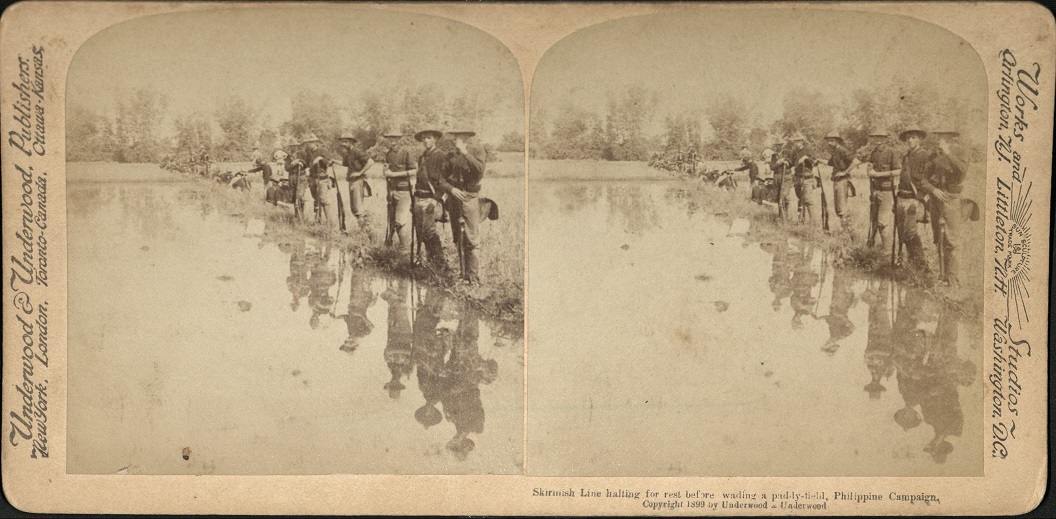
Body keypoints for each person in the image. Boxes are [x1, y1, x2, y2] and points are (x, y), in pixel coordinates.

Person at [440, 129, 487, 284]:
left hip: (470, 198)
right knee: (457, 237)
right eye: (455, 137)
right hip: (454, 199)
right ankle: (462, 275)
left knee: (471, 239)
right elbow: (442, 179)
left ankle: (473, 278)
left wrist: (465, 152)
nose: (457, 139)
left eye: (460, 137)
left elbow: (480, 169)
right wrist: (451, 189)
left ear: (467, 137)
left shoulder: (477, 151)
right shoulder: (449, 156)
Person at [926, 130, 969, 287]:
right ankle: (942, 277)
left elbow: (962, 170)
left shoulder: (961, 151)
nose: (939, 140)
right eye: (938, 137)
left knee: (952, 239)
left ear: (951, 138)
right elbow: (924, 180)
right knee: (939, 238)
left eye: (942, 137)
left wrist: (948, 152)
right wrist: (933, 190)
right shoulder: (933, 155)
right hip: (935, 198)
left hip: (951, 198)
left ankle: (953, 280)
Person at [895, 127, 931, 273]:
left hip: (913, 199)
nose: (910, 140)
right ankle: (911, 264)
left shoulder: (924, 155)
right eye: (908, 138)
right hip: (901, 197)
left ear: (920, 139)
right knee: (903, 233)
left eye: (914, 137)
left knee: (910, 233)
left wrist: (919, 199)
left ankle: (922, 266)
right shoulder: (906, 156)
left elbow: (926, 179)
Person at [412, 128, 448, 269]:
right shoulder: (422, 157)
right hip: (418, 197)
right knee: (421, 231)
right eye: (424, 138)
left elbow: (443, 179)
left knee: (429, 231)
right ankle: (429, 260)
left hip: (431, 198)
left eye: (429, 137)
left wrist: (436, 199)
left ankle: (440, 262)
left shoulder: (441, 156)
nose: (426, 140)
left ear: (435, 139)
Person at [381, 130, 418, 253]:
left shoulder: (406, 152)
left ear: (400, 139)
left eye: (395, 138)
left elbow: (414, 171)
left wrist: (394, 174)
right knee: (391, 220)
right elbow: (387, 173)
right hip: (392, 191)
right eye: (390, 138)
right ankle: (391, 245)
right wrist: (385, 173)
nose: (392, 140)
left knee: (400, 221)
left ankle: (405, 249)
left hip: (404, 191)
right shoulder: (388, 154)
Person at [866, 130, 899, 249]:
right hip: (875, 190)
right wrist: (869, 170)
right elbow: (871, 170)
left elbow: (898, 171)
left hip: (886, 190)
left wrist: (878, 175)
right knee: (874, 220)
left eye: (881, 137)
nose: (878, 139)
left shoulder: (891, 152)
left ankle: (888, 250)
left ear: (885, 138)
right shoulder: (874, 153)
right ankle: (874, 246)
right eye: (875, 137)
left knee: (882, 222)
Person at [338, 132, 375, 233]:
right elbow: (344, 164)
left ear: (351, 142)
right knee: (354, 208)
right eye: (342, 142)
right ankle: (363, 230)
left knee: (358, 209)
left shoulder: (357, 151)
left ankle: (365, 232)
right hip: (351, 182)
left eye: (345, 142)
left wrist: (359, 173)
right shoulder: (348, 154)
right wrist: (333, 161)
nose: (343, 144)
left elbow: (371, 162)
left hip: (358, 181)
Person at [824, 131, 860, 232]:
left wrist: (844, 172)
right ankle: (845, 229)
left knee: (842, 208)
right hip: (836, 181)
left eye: (832, 141)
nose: (829, 143)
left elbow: (856, 161)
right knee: (838, 208)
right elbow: (830, 163)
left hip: (842, 181)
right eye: (828, 141)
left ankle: (848, 231)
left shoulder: (842, 150)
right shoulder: (835, 151)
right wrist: (818, 160)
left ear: (837, 141)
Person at [296, 133, 333, 225]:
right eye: (308, 143)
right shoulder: (308, 153)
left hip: (322, 178)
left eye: (312, 142)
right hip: (312, 179)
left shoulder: (322, 151)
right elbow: (307, 164)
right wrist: (301, 163)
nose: (310, 144)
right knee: (316, 200)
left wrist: (321, 159)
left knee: (323, 199)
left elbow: (329, 162)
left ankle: (328, 222)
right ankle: (318, 220)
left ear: (316, 142)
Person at [788, 133, 817, 223]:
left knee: (807, 199)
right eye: (795, 141)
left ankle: (813, 221)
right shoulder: (793, 152)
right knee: (800, 198)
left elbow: (815, 161)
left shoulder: (808, 150)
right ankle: (801, 220)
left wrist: (806, 157)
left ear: (802, 141)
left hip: (807, 177)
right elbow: (791, 163)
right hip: (797, 177)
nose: (796, 143)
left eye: (798, 141)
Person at [771, 138, 794, 219]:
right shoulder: (774, 155)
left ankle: (786, 215)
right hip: (777, 177)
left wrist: (785, 160)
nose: (778, 146)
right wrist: (778, 162)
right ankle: (781, 216)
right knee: (778, 197)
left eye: (780, 145)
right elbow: (772, 167)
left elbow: (792, 163)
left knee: (784, 195)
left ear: (783, 145)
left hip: (786, 176)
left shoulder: (788, 153)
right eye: (777, 145)